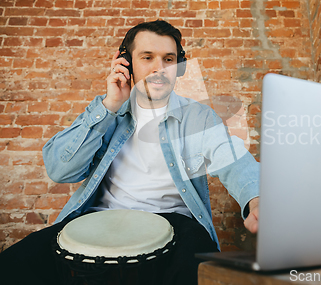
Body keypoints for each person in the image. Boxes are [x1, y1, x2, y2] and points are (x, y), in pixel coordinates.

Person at [0, 20, 260, 285]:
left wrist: (257, 197)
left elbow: (231, 158)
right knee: (13, 266)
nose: (159, 68)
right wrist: (110, 104)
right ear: (125, 62)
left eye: (168, 59)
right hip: (101, 217)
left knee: (201, 274)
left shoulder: (198, 116)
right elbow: (59, 169)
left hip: (176, 223)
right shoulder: (105, 112)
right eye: (147, 57)